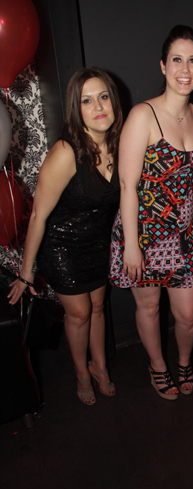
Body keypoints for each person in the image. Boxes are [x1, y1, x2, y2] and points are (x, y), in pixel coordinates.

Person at [8, 67, 122, 406]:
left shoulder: (121, 144)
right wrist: (26, 273)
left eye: (103, 97)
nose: (98, 106)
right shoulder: (66, 151)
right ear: (76, 108)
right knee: (80, 313)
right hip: (62, 246)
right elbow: (39, 216)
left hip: (99, 243)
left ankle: (100, 366)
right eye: (87, 101)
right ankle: (81, 373)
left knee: (98, 307)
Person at [109, 25, 193, 399]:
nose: (185, 69)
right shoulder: (142, 115)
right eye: (177, 60)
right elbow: (127, 185)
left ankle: (183, 361)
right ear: (163, 66)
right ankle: (158, 366)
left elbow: (191, 168)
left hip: (185, 233)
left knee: (188, 315)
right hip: (145, 231)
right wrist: (132, 246)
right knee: (149, 308)